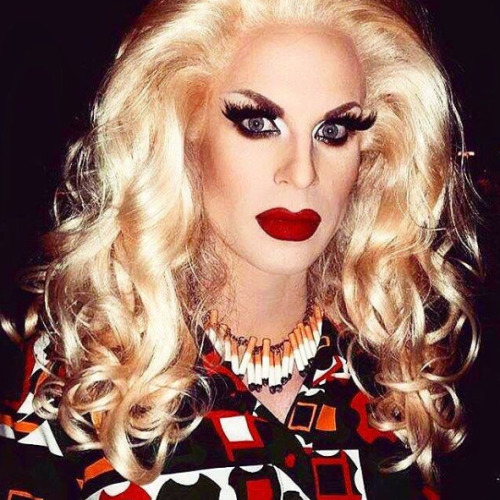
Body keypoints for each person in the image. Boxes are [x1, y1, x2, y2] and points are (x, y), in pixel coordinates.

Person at [0, 0, 481, 498]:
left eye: (332, 131)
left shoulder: (396, 384)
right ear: (185, 130)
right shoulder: (79, 392)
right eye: (258, 124)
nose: (301, 173)